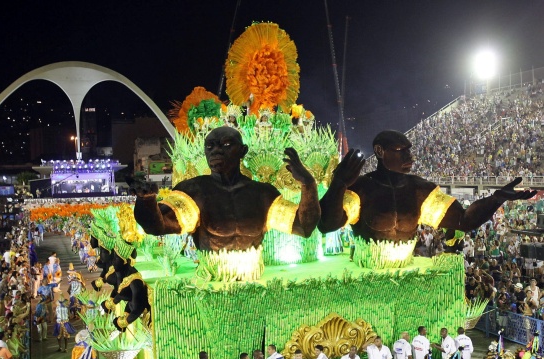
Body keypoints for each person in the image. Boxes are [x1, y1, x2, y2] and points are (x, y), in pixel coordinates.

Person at [317, 130, 537, 261]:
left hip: (405, 274)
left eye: (409, 150)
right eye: (401, 151)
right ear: (380, 151)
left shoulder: (421, 190)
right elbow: (326, 224)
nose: (410, 157)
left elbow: (464, 220)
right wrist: (339, 184)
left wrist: (496, 198)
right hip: (367, 275)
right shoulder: (361, 188)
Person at [133, 126, 320, 254]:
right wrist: (146, 200)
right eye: (210, 147)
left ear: (242, 151)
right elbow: (157, 226)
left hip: (253, 282)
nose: (216, 151)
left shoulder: (262, 194)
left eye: (226, 145)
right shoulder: (193, 192)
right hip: (213, 282)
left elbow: (304, 227)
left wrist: (308, 184)